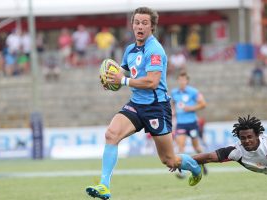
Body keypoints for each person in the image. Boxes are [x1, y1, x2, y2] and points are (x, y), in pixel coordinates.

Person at [85, 7, 202, 200]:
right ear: (132, 25)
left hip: (157, 107)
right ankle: (104, 186)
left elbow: (152, 82)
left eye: (144, 23)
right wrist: (110, 81)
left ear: (152, 27)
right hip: (136, 105)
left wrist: (122, 81)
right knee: (111, 134)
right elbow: (121, 74)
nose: (140, 26)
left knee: (169, 160)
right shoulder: (130, 50)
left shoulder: (155, 49)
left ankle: (195, 168)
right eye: (137, 22)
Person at [186, 115, 267, 200]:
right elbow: (208, 157)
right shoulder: (236, 151)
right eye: (243, 138)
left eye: (250, 137)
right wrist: (182, 161)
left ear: (257, 135)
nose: (246, 141)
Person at [171, 71, 207, 178]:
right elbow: (173, 104)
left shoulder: (193, 92)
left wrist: (190, 108)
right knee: (180, 146)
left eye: (184, 80)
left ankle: (203, 164)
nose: (182, 81)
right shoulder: (174, 92)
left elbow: (203, 104)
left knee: (196, 147)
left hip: (192, 123)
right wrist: (172, 112)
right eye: (180, 79)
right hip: (180, 124)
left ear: (187, 81)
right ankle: (182, 171)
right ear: (178, 80)